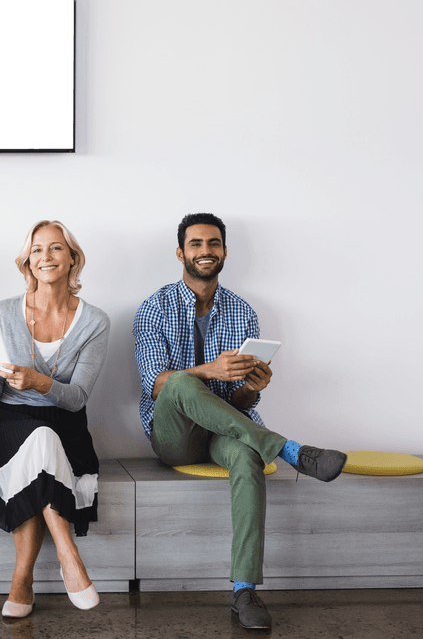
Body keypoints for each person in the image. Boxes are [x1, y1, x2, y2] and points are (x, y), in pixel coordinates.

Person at [132, 212, 348, 630]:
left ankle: (244, 591)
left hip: (223, 430)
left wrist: (254, 387)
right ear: (181, 253)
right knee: (180, 384)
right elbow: (156, 384)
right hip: (172, 435)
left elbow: (238, 401)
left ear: (225, 252)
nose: (205, 251)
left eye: (213, 244)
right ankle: (290, 450)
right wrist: (209, 370)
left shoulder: (242, 311)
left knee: (248, 460)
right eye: (196, 244)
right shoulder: (154, 307)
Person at [0, 220, 109, 618]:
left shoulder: (95, 321)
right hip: (7, 421)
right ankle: (70, 557)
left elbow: (78, 396)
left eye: (55, 249)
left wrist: (38, 381)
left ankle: (22, 580)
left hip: (65, 421)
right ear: (27, 262)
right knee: (39, 441)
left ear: (72, 259)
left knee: (46, 439)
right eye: (36, 250)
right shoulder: (4, 311)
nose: (45, 257)